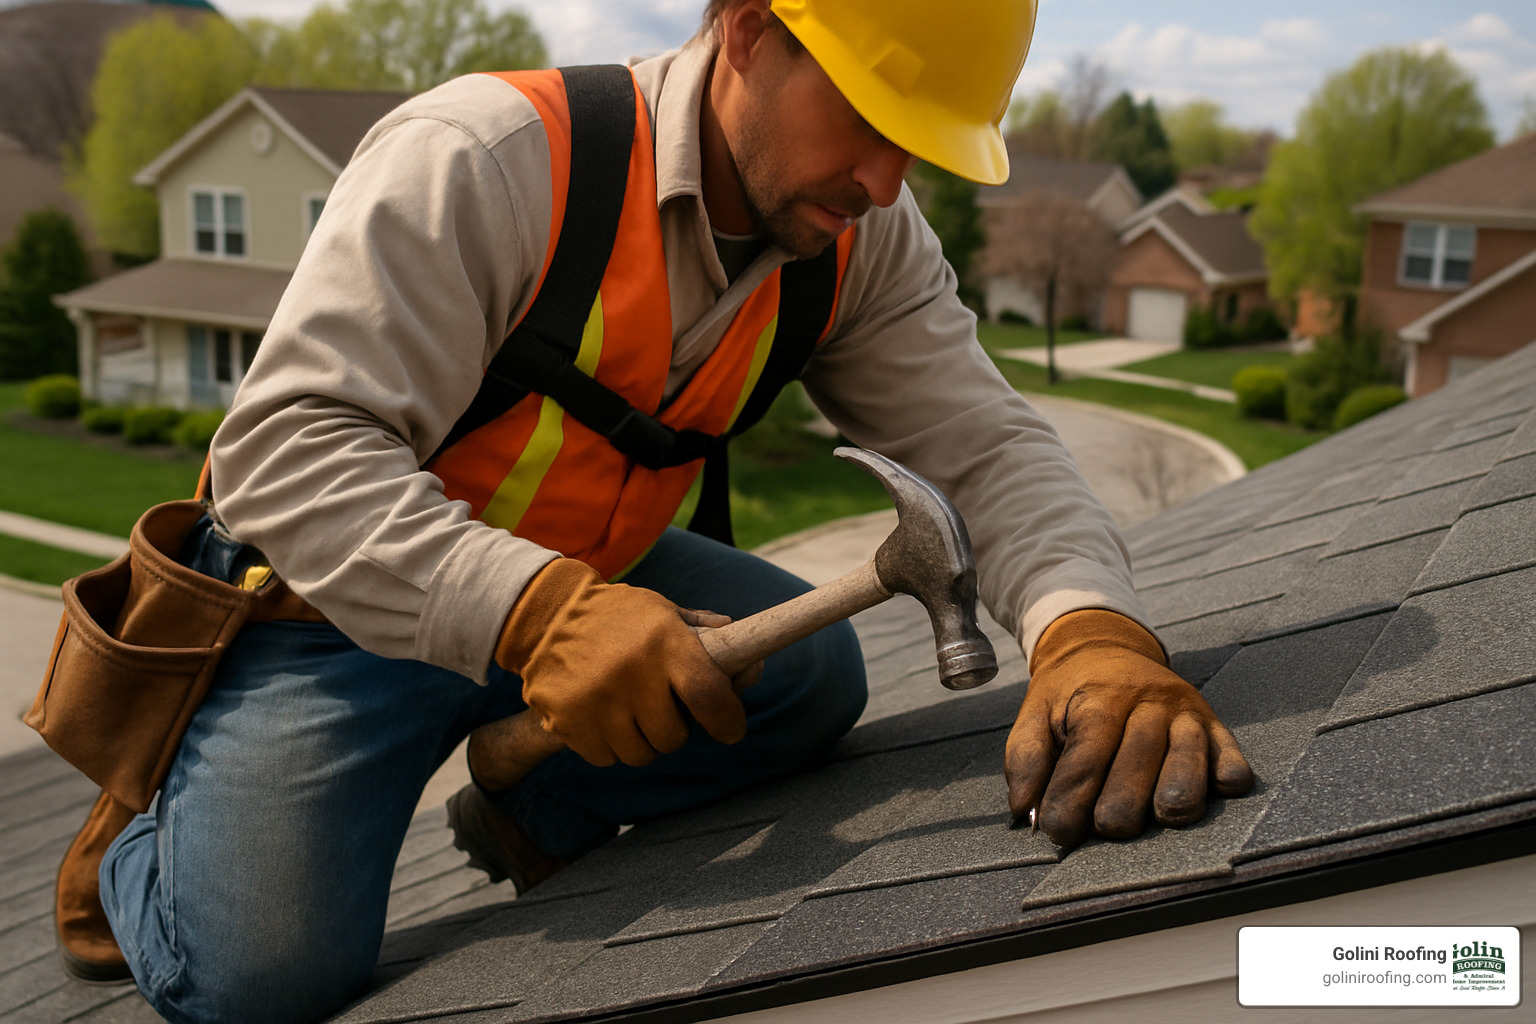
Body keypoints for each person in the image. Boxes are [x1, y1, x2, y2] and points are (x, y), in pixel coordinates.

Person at [63, 1, 1253, 1020]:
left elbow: (985, 446)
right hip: (335, 607)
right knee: (262, 978)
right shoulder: (486, 159)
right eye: (867, 118)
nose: (887, 181)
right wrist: (538, 615)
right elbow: (285, 450)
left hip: (592, 575)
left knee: (807, 681)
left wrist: (1090, 631)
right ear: (747, 28)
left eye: (920, 145)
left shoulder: (859, 237)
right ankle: (148, 834)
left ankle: (529, 789)